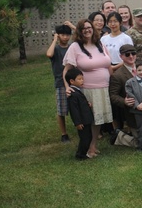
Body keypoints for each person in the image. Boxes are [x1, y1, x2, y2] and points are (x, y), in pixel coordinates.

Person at [63, 19, 113, 158]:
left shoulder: (100, 44)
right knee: (88, 119)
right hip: (87, 89)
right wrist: (68, 87)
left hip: (103, 88)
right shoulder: (75, 47)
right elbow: (66, 70)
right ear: (79, 30)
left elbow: (108, 65)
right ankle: (86, 147)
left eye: (89, 27)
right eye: (83, 28)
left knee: (98, 120)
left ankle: (93, 146)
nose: (87, 30)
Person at [47, 23, 74, 143]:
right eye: (63, 35)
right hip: (60, 82)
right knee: (62, 110)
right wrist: (54, 40)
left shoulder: (72, 48)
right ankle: (64, 134)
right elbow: (49, 54)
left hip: (74, 81)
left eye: (68, 35)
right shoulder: (56, 49)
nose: (66, 37)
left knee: (76, 107)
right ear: (58, 35)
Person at [65, 67, 94, 161]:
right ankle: (80, 155)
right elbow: (74, 110)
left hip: (86, 119)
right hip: (82, 121)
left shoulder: (78, 91)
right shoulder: (73, 94)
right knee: (85, 138)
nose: (82, 81)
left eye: (82, 78)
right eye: (79, 79)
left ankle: (83, 153)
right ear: (72, 81)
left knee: (88, 136)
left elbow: (81, 104)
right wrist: (77, 122)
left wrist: (87, 104)